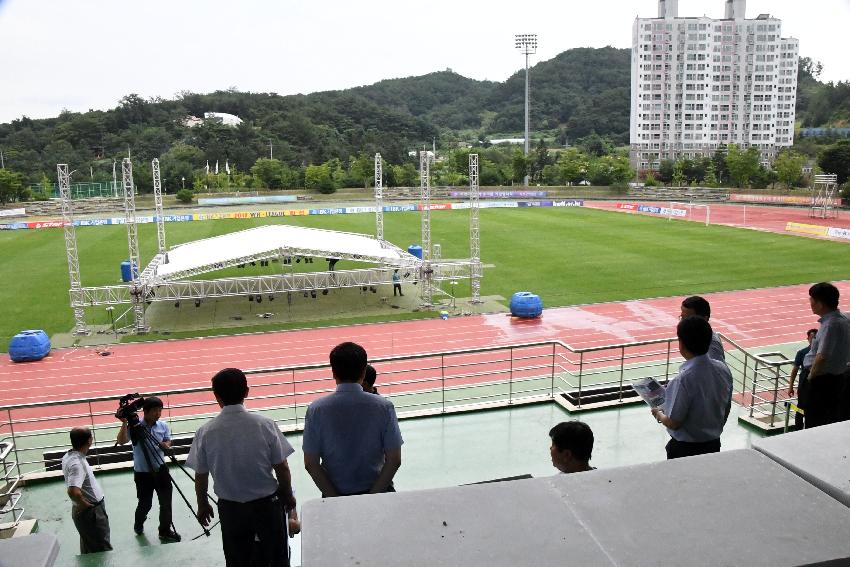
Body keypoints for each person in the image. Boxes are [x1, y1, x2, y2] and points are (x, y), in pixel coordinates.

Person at [187, 368, 297, 567]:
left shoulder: (205, 432)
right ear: (247, 392)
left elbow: (201, 475)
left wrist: (202, 504)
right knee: (276, 557)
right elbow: (282, 468)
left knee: (238, 559)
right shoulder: (265, 425)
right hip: (267, 507)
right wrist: (288, 495)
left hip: (231, 510)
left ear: (216, 396)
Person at [303, 342, 403, 497]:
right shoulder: (384, 406)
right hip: (379, 494)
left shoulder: (316, 410)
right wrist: (372, 497)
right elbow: (394, 460)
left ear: (334, 373)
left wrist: (336, 499)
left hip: (335, 497)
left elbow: (311, 463)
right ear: (364, 373)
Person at [651, 316, 733, 459]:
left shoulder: (683, 380)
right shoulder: (723, 369)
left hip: (685, 450)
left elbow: (674, 423)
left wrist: (658, 413)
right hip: (713, 444)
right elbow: (727, 406)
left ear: (681, 344)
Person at [116, 396, 180, 541]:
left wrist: (166, 445)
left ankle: (164, 530)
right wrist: (125, 422)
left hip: (161, 470)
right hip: (143, 474)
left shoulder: (163, 426)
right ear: (145, 411)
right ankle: (139, 522)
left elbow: (167, 440)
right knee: (145, 504)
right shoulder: (135, 427)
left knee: (166, 503)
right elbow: (121, 441)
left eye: (160, 410)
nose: (158, 414)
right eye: (155, 411)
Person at [805, 283, 850, 428]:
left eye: (812, 299)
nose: (810, 302)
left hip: (822, 382)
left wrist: (811, 376)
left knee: (815, 421)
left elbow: (822, 356)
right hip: (836, 379)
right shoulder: (844, 318)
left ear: (820, 303)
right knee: (829, 418)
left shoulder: (830, 325)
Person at [62, 426, 112, 554]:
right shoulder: (77, 463)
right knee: (101, 549)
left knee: (89, 545)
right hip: (92, 513)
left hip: (88, 513)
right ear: (89, 440)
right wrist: (84, 504)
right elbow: (73, 491)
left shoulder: (69, 456)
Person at [787, 329, 817, 430]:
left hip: (817, 382)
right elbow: (794, 370)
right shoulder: (802, 352)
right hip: (804, 383)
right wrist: (790, 387)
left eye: (815, 338)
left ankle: (810, 428)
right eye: (812, 338)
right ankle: (798, 428)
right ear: (807, 338)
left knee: (812, 407)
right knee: (801, 407)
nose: (813, 340)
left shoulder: (822, 352)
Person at [680, 296, 725, 362]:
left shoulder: (712, 346)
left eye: (688, 318)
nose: (683, 322)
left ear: (704, 319)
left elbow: (714, 369)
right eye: (682, 317)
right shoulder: (694, 337)